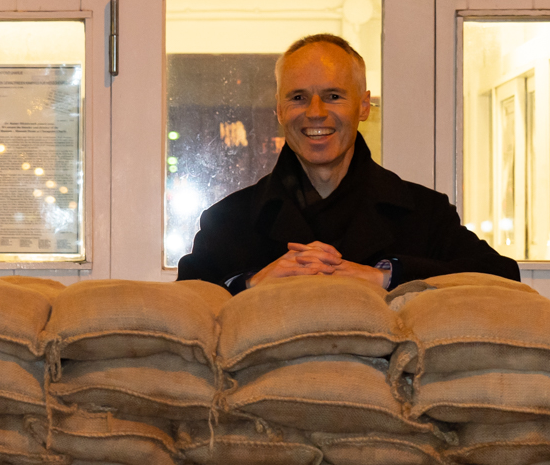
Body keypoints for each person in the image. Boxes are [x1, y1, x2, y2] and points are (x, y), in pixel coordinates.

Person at [177, 34, 522, 292]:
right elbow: (186, 303)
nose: (315, 112)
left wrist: (387, 275)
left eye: (333, 96)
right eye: (298, 97)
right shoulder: (227, 219)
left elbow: (502, 277)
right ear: (279, 111)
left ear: (363, 106)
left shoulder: (424, 213)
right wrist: (251, 283)